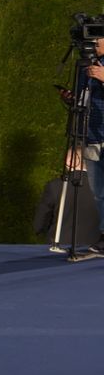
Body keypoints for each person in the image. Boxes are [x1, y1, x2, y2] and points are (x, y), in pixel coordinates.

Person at [78, 37, 104, 254]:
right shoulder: (86, 67)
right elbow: (82, 98)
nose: (94, 44)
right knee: (99, 192)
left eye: (98, 39)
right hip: (93, 136)